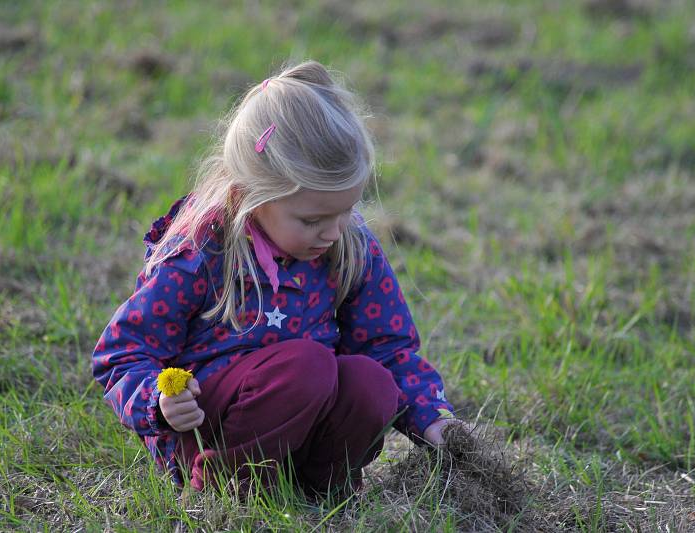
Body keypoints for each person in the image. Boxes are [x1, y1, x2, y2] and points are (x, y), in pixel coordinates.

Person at [91, 60, 468, 501]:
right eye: (312, 219)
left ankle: (319, 491)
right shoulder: (202, 249)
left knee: (371, 381)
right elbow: (122, 351)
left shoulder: (349, 245)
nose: (332, 232)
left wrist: (435, 420)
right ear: (252, 195)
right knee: (306, 366)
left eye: (345, 212)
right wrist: (159, 402)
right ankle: (228, 486)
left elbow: (388, 348)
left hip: (304, 416)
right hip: (211, 427)